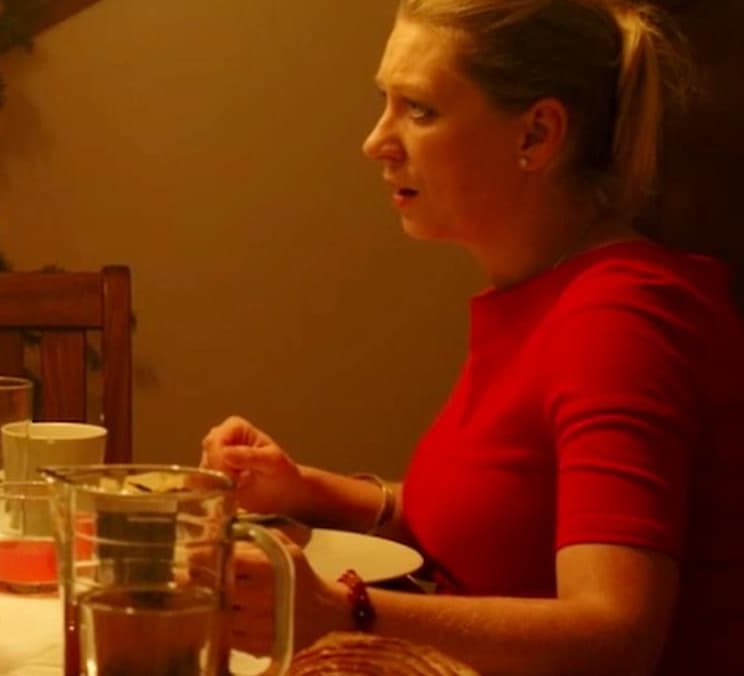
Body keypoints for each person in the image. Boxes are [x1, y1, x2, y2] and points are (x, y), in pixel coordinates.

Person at [202, 1, 742, 673]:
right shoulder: (540, 293)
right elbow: (494, 511)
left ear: (537, 135)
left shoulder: (619, 320)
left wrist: (339, 613)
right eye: (384, 103)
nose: (376, 141)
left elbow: (618, 634)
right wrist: (304, 490)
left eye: (419, 110)